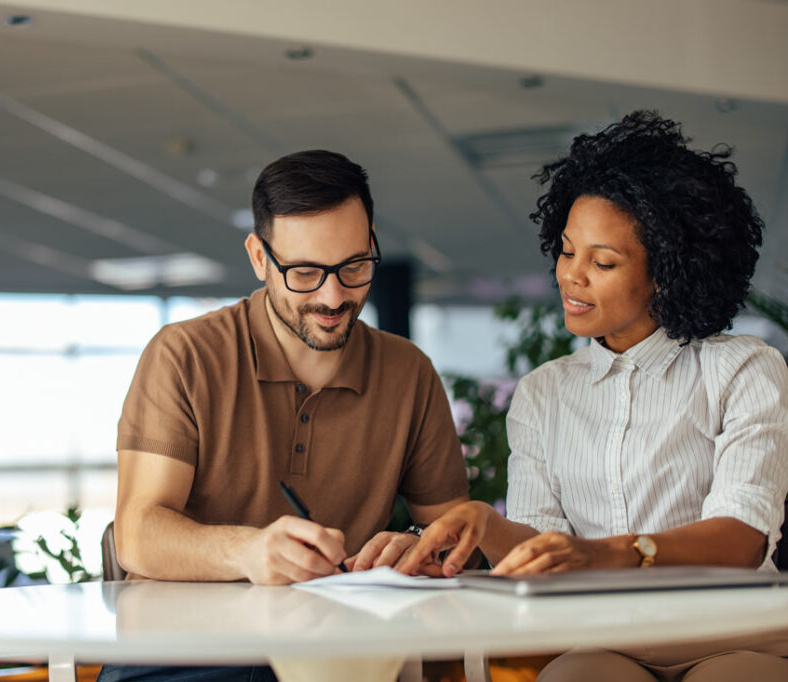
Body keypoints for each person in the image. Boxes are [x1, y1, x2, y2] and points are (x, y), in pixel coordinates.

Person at [399, 111, 788, 681]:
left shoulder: (742, 368)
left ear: (666, 274)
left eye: (603, 261)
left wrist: (607, 553)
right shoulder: (542, 394)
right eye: (566, 250)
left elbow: (741, 538)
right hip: (606, 641)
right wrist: (486, 523)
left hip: (731, 636)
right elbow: (541, 550)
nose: (570, 276)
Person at [101, 150, 469, 681]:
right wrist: (247, 551)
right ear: (258, 257)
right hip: (184, 653)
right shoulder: (184, 354)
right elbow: (137, 533)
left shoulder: (408, 372)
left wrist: (418, 545)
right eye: (304, 272)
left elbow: (454, 531)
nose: (334, 295)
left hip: (333, 654)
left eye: (354, 267)